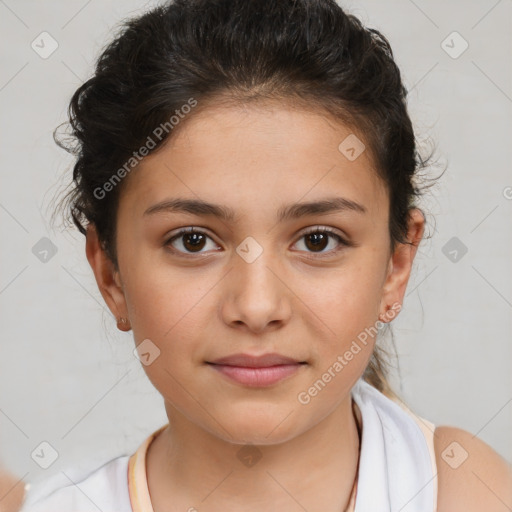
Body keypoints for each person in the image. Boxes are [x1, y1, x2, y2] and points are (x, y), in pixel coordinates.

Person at [19, 0, 512, 510]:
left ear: (396, 265)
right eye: (193, 241)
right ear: (110, 274)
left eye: (318, 240)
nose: (256, 308)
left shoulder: (466, 492)